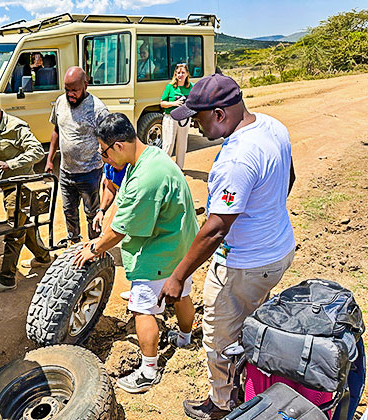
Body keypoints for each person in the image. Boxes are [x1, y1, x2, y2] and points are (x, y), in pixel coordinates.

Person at [160, 74, 296, 419]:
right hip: (278, 250)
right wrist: (264, 214)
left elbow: (216, 228)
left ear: (219, 114)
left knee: (220, 338)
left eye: (198, 117)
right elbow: (289, 177)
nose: (194, 124)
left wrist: (178, 276)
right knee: (250, 324)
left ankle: (223, 405)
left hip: (244, 264)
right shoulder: (272, 126)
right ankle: (249, 387)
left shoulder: (236, 158)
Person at [73, 113, 199, 393]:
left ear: (118, 146)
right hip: (181, 242)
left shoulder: (146, 178)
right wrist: (104, 214)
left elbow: (120, 231)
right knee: (181, 292)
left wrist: (94, 248)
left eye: (104, 152)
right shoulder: (147, 156)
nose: (104, 160)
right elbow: (122, 197)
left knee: (142, 309)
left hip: (160, 250)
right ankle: (185, 337)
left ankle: (148, 370)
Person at [0, 95, 52, 293]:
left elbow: (37, 152)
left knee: (13, 232)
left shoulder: (16, 127)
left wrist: (10, 164)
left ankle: (7, 278)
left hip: (22, 187)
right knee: (23, 227)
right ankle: (43, 257)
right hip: (8, 186)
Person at [45, 66, 109, 244]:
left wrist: (110, 168)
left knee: (92, 214)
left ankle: (95, 248)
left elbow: (108, 141)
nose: (70, 94)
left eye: (75, 90)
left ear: (85, 85)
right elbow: (56, 130)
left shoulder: (98, 109)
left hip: (90, 172)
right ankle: (74, 244)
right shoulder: (60, 102)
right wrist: (50, 160)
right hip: (66, 172)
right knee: (69, 212)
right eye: (67, 90)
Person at [160, 63, 193, 169]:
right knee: (168, 144)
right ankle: (164, 168)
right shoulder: (170, 87)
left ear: (187, 74)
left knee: (182, 145)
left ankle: (179, 168)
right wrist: (174, 104)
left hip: (184, 119)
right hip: (171, 118)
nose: (180, 75)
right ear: (175, 74)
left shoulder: (191, 87)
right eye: (178, 73)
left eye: (183, 72)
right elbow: (162, 103)